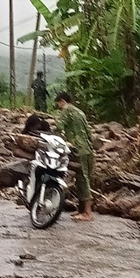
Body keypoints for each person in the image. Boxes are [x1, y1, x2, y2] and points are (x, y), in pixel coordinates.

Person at [54, 92, 95, 222]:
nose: (59, 107)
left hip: (77, 149)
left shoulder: (66, 110)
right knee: (85, 177)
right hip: (88, 149)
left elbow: (58, 127)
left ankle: (87, 213)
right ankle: (81, 209)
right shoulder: (80, 112)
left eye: (58, 104)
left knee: (82, 180)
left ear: (62, 101)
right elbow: (89, 132)